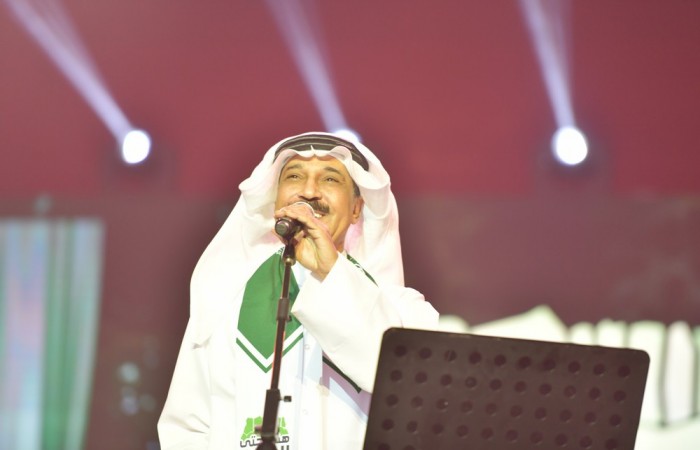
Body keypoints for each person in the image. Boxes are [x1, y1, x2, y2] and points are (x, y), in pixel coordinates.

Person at [158, 132, 439, 450]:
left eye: (330, 179)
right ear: (275, 201)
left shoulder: (402, 310)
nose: (308, 191)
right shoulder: (224, 301)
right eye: (294, 176)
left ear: (357, 209)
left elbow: (407, 388)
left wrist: (329, 270)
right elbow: (188, 428)